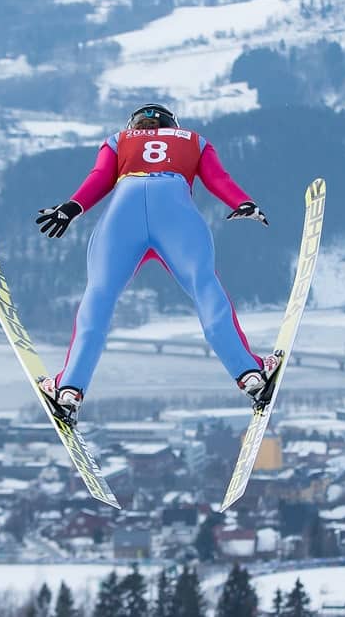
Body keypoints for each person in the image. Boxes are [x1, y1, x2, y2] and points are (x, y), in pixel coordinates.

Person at [33, 104, 277, 426]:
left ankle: (69, 390)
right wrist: (243, 203)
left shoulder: (119, 140)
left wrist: (71, 207)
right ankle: (249, 374)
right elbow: (218, 178)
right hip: (174, 207)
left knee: (100, 296)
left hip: (125, 209)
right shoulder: (194, 140)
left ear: (134, 124)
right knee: (204, 286)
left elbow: (100, 178)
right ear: (171, 123)